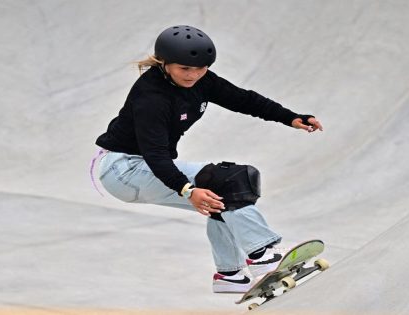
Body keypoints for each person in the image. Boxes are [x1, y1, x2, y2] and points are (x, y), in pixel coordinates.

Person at [93, 25, 323, 293]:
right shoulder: (151, 97)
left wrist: (290, 117)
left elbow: (243, 100)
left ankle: (231, 275)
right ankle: (262, 255)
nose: (193, 75)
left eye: (201, 68)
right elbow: (155, 154)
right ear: (163, 63)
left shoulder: (203, 80)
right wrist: (186, 189)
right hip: (125, 170)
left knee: (222, 197)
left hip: (145, 167)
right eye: (185, 69)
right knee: (230, 180)